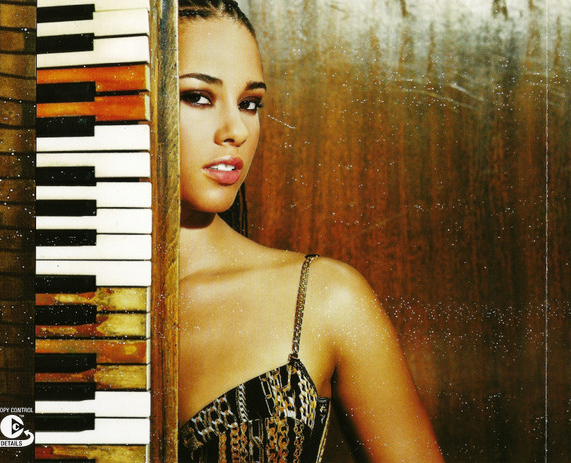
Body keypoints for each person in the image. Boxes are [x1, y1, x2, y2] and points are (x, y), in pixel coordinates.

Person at [177, 1, 444, 461]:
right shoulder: (56, 298)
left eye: (249, 104)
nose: (237, 130)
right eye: (198, 97)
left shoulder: (326, 298)